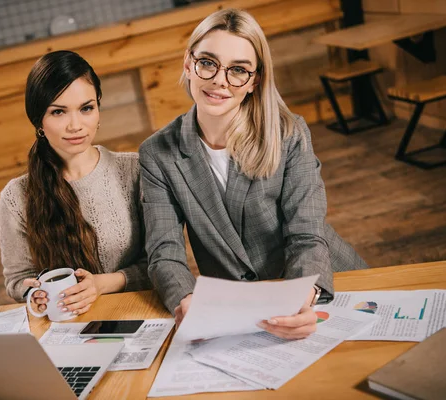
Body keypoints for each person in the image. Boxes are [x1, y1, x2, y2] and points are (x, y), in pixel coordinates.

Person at [139, 9, 368, 339]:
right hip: (240, 313)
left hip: (322, 286)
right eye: (208, 63)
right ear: (189, 64)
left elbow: (307, 235)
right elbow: (165, 254)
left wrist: (303, 300)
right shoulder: (156, 153)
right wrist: (186, 300)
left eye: (238, 70)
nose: (220, 80)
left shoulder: (289, 133)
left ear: (254, 81)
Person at [0, 50, 151, 316]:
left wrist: (105, 284)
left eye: (86, 108)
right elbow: (17, 280)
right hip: (67, 324)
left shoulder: (135, 170)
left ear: (98, 110)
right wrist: (34, 294)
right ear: (39, 121)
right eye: (58, 112)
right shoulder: (16, 196)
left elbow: (163, 263)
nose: (75, 125)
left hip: (139, 312)